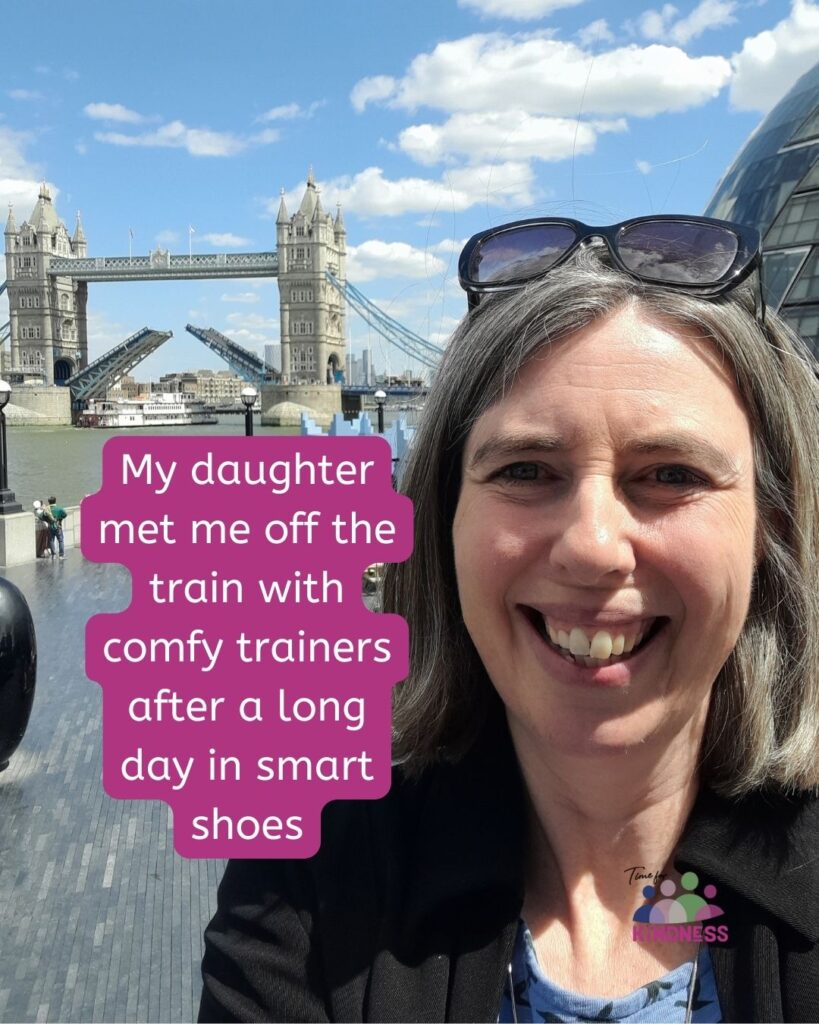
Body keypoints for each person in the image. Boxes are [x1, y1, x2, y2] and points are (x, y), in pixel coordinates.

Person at [199, 216, 819, 1022]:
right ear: (445, 518)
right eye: (525, 469)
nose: (593, 548)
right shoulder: (304, 874)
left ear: (771, 523)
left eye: (669, 473)